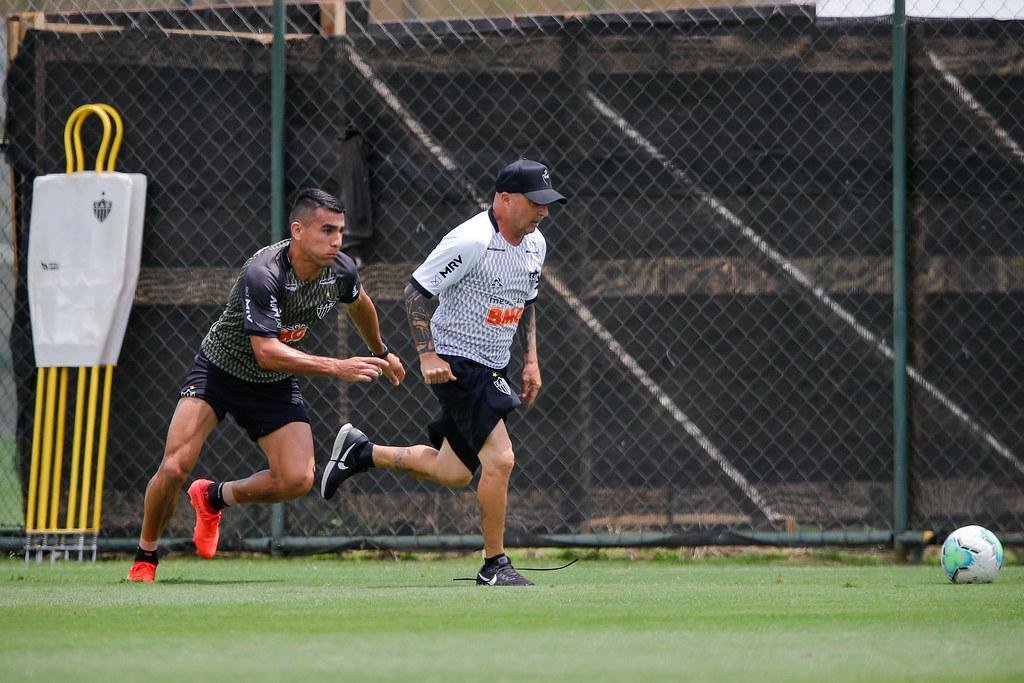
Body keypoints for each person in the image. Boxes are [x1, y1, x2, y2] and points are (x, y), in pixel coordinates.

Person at [127, 188, 405, 582]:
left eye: (340, 231)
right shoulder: (264, 272)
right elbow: (267, 352)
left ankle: (213, 497)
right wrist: (337, 366)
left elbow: (360, 303)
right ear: (298, 231)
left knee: (297, 479)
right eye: (327, 230)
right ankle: (145, 557)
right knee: (174, 467)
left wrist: (382, 351)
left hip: (271, 383)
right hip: (220, 370)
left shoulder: (341, 270)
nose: (337, 241)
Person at [320, 157, 566, 586]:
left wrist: (531, 360)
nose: (544, 211)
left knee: (453, 472)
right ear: (505, 199)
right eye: (535, 202)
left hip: (495, 364)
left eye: (547, 203)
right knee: (501, 459)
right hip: (459, 363)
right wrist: (427, 355)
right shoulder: (471, 240)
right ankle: (494, 565)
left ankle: (361, 452)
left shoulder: (535, 244)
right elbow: (415, 291)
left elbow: (527, 302)